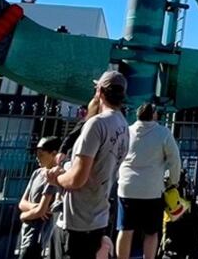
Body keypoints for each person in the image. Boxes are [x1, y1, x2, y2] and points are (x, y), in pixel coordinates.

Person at [47, 71, 129, 259]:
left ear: (99, 91)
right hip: (97, 217)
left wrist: (56, 176)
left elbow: (77, 179)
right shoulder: (124, 126)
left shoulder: (96, 124)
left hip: (75, 221)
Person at [116, 102, 182, 259]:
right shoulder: (163, 133)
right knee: (151, 232)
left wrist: (118, 177)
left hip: (127, 187)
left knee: (125, 229)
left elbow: (117, 155)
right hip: (152, 189)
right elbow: (175, 159)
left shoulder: (127, 131)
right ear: (154, 115)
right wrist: (173, 181)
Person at [20, 137, 62, 259]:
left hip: (40, 237)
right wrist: (35, 207)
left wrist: (23, 215)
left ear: (54, 154)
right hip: (26, 232)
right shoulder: (36, 173)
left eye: (41, 154)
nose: (37, 157)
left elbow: (42, 211)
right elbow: (22, 203)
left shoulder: (54, 177)